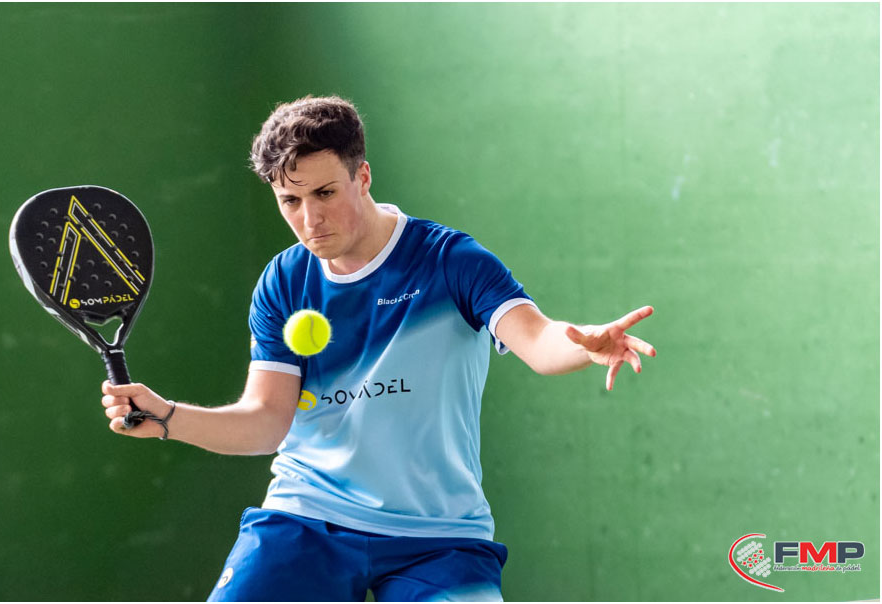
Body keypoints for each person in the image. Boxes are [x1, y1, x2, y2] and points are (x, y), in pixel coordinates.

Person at [101, 95, 656, 602]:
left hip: (439, 537)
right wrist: (169, 417)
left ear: (362, 176)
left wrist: (585, 345)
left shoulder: (449, 260)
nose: (310, 220)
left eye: (324, 193)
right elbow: (266, 422)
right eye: (290, 200)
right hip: (309, 517)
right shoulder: (283, 283)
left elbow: (537, 340)